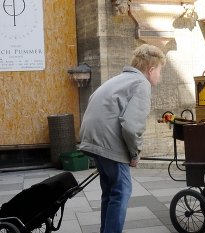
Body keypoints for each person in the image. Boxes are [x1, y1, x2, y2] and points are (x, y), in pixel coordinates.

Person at [78, 44, 166, 233]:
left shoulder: (119, 79)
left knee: (110, 193)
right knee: (122, 191)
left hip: (93, 140)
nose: (160, 76)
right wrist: (134, 154)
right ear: (151, 70)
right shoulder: (141, 84)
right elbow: (132, 125)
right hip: (109, 144)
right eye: (159, 71)